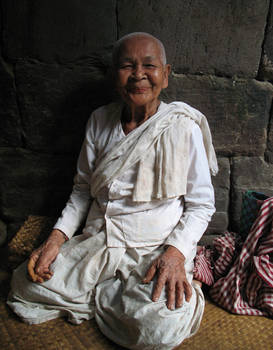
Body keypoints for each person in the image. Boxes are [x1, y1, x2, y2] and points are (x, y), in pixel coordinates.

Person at [7, 32, 217, 350]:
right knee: (24, 284)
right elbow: (81, 191)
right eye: (127, 65)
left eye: (150, 65)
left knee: (158, 328)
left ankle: (119, 294)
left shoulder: (182, 126)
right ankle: (114, 296)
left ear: (166, 75)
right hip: (98, 244)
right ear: (113, 75)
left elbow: (201, 205)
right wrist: (54, 240)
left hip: (154, 251)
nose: (139, 75)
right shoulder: (99, 120)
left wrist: (175, 255)